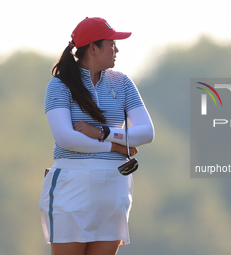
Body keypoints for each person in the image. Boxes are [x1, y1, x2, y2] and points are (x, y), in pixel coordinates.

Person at [39, 17, 154, 255]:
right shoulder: (60, 85)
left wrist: (102, 132)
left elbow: (146, 132)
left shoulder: (122, 82)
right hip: (71, 187)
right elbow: (66, 139)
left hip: (113, 189)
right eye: (111, 43)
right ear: (93, 48)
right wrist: (115, 147)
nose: (116, 49)